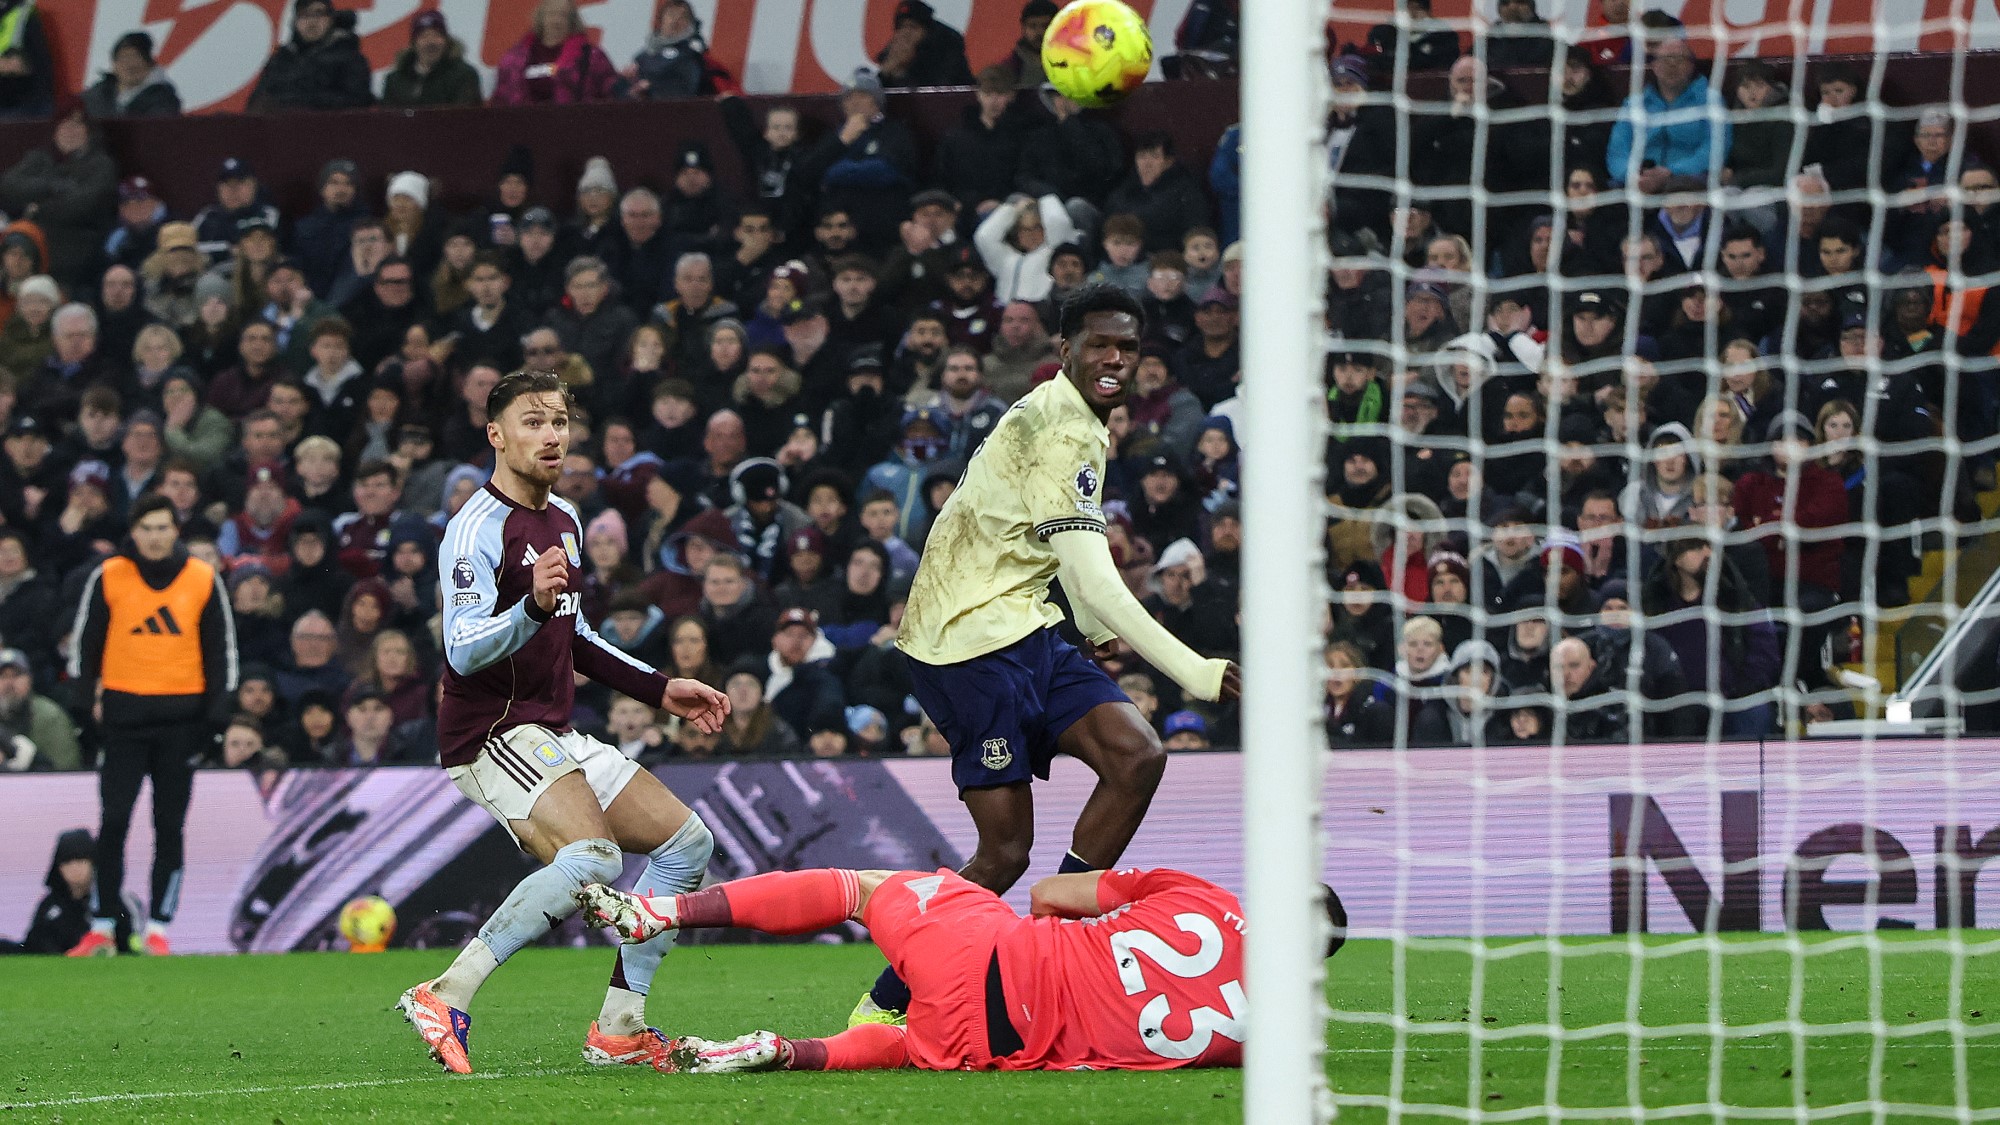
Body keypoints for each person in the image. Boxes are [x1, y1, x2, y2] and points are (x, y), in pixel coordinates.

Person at [865, 284, 1243, 1025]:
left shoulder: (1071, 417)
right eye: (1099, 344)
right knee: (1003, 852)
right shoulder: (1062, 426)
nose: (1114, 359)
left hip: (1027, 624)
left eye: (1127, 347)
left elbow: (1060, 549)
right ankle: (883, 1004)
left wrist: (1091, 622)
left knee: (1137, 756)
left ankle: (1051, 941)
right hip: (963, 641)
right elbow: (1095, 568)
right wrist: (1191, 668)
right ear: (1064, 351)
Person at [396, 370, 731, 1076]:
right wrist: (532, 609)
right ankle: (444, 992)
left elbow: (576, 637)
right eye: (532, 421)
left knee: (684, 843)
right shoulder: (474, 529)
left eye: (559, 421)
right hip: (492, 731)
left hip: (551, 729)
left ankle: (619, 1025)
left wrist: (661, 686)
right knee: (597, 857)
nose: (551, 435)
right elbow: (459, 648)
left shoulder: (567, 520)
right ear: (496, 435)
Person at [577, 864, 1344, 1072]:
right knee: (914, 1046)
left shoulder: (1198, 895)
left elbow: (1047, 893)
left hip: (992, 952)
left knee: (861, 889)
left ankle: (659, 914)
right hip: (1002, 1046)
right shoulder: (1276, 1033)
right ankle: (788, 1049)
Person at [65, 496, 239, 956]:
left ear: (175, 531)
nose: (156, 536)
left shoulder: (202, 578)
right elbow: (85, 647)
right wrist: (84, 712)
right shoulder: (110, 575)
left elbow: (223, 651)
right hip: (123, 723)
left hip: (182, 723)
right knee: (115, 822)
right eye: (148, 527)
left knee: (169, 826)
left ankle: (158, 928)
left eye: (164, 527)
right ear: (134, 531)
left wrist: (218, 718)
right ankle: (102, 927)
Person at [248, 0, 375, 112]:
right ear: (295, 22)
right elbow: (257, 102)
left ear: (331, 19)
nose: (312, 22)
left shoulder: (350, 59)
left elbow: (358, 103)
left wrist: (304, 101)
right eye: (304, 15)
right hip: (279, 134)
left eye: (319, 14)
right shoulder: (280, 60)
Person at [491, 0, 619, 106]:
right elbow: (500, 99)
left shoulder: (591, 56)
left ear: (572, 21)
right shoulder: (513, 59)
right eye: (551, 14)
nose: (556, 20)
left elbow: (611, 92)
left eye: (562, 15)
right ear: (541, 19)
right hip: (524, 129)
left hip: (573, 128)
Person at [380, 9, 483, 107]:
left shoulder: (464, 76)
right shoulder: (395, 80)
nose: (431, 42)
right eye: (424, 36)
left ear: (446, 41)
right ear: (414, 43)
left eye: (436, 35)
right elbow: (388, 119)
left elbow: (465, 117)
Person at [81, 31, 183, 118]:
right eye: (124, 58)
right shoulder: (97, 94)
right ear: (114, 65)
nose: (129, 65)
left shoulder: (163, 100)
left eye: (135, 58)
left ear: (149, 63)